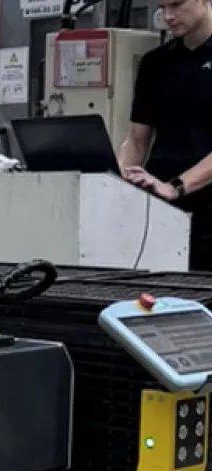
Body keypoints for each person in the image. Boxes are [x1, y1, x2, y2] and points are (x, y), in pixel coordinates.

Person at [119, 0, 212, 269]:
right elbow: (137, 140)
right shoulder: (155, 63)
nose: (168, 16)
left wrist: (176, 187)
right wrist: (117, 180)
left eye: (177, 5)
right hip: (161, 211)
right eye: (163, 8)